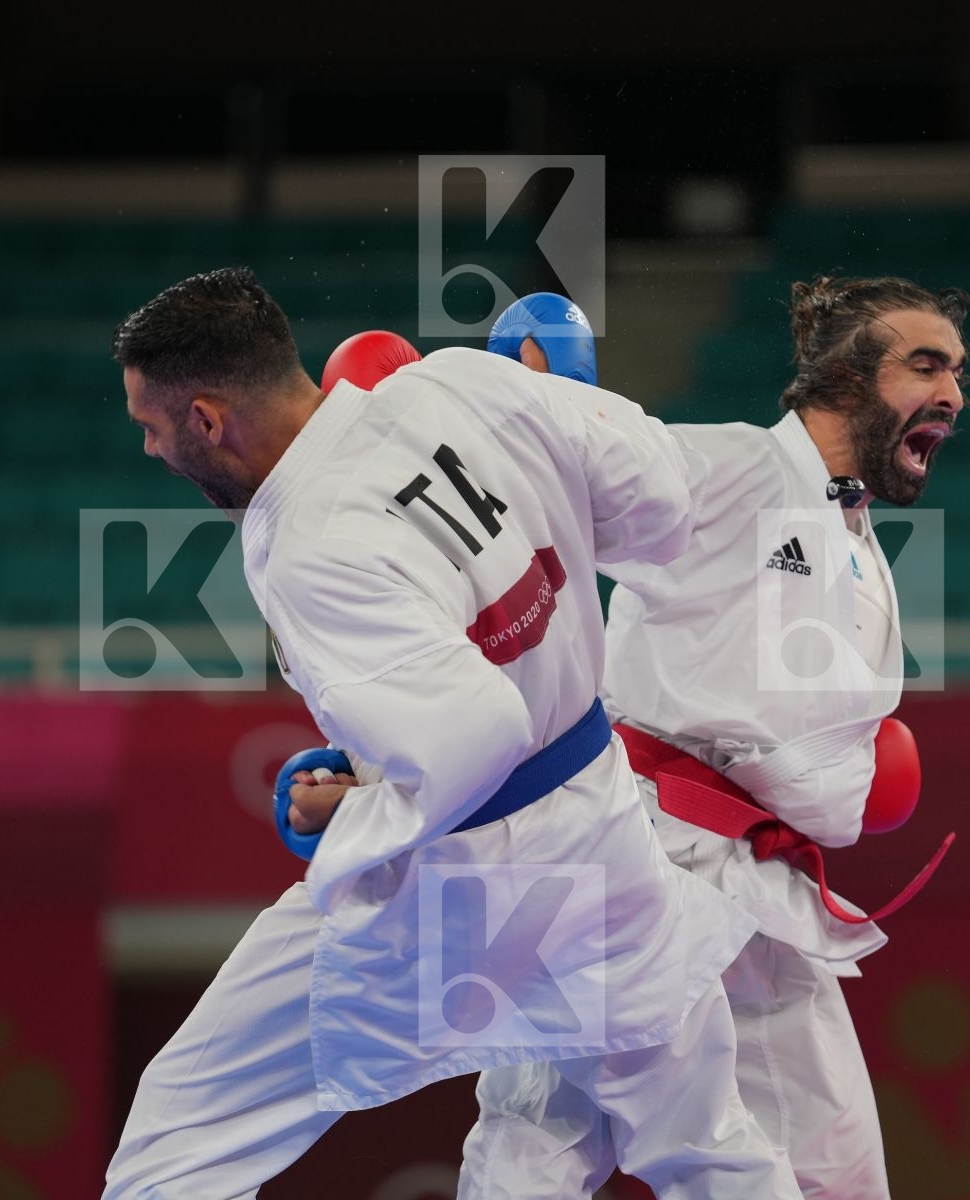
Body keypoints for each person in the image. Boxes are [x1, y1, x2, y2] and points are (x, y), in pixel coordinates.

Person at [102, 267, 800, 1200]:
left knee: (186, 1126)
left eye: (151, 426)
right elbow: (662, 495)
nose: (150, 450)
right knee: (701, 1137)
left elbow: (474, 733)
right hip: (599, 828)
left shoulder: (311, 540)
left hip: (468, 884)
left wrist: (346, 816)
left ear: (207, 419)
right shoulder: (454, 382)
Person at [461, 276, 970, 1198]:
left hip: (753, 884)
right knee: (545, 1128)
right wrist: (550, 397)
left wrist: (849, 778)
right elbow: (564, 492)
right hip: (639, 853)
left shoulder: (850, 530)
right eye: (925, 366)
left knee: (836, 1165)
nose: (953, 394)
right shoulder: (742, 468)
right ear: (845, 383)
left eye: (959, 372)